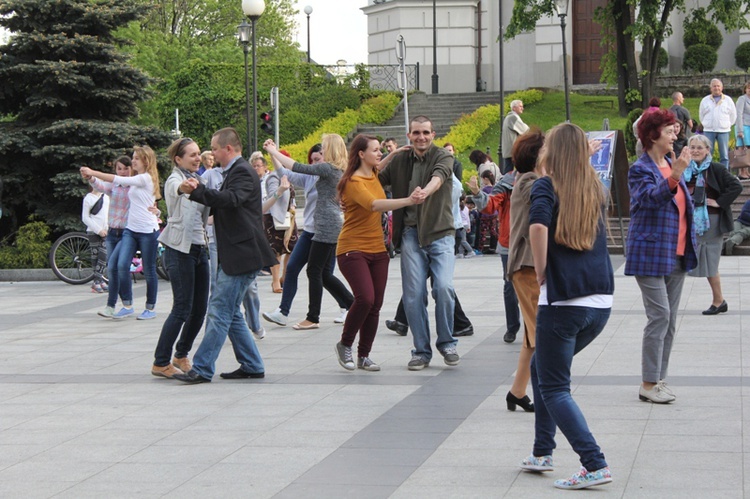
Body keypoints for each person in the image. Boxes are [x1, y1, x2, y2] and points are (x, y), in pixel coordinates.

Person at [519, 123, 614, 491]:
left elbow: (538, 228)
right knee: (542, 372)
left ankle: (594, 463)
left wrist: (542, 270)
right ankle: (542, 452)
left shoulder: (546, 185)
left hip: (563, 304)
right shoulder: (593, 187)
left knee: (555, 386)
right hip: (599, 302)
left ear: (552, 152)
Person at [173, 127, 277, 384]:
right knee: (230, 313)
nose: (212, 153)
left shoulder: (242, 171)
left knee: (219, 310)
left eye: (215, 148)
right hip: (239, 252)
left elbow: (231, 199)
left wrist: (195, 192)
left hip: (243, 253)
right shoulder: (236, 171)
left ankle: (202, 368)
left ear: (228, 149)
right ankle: (252, 365)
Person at [333, 135, 423, 371]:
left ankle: (364, 355)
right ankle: (345, 344)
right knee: (366, 298)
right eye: (375, 150)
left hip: (378, 249)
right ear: (361, 154)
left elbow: (379, 166)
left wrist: (394, 153)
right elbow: (374, 204)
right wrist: (408, 200)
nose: (379, 153)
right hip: (352, 249)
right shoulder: (353, 182)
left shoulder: (372, 173)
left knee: (375, 305)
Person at [378, 115, 460, 370]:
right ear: (409, 136)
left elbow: (440, 176)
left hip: (440, 232)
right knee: (413, 296)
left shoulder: (443, 156)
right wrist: (390, 156)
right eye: (416, 133)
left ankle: (447, 342)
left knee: (444, 288)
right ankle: (421, 351)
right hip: (411, 234)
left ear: (433, 134)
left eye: (425, 132)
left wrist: (426, 190)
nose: (421, 137)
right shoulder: (401, 160)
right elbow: (374, 177)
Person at [626, 109, 698, 403]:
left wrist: (676, 171)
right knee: (660, 316)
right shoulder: (640, 168)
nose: (675, 136)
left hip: (677, 253)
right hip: (650, 251)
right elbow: (648, 200)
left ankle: (659, 379)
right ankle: (647, 383)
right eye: (669, 131)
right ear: (653, 135)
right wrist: (677, 174)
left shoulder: (670, 163)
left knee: (668, 321)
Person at [264, 134, 354, 330]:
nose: (320, 153)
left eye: (323, 149)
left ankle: (317, 316)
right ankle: (350, 305)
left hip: (326, 225)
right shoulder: (333, 169)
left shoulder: (328, 168)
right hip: (322, 225)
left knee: (318, 272)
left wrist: (272, 150)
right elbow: (291, 172)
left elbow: (296, 166)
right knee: (319, 273)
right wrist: (274, 155)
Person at [151, 137, 211, 379]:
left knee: (199, 309)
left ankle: (181, 354)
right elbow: (178, 188)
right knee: (181, 307)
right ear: (178, 159)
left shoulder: (202, 179)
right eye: (192, 155)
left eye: (198, 154)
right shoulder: (175, 180)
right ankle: (160, 362)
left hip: (199, 248)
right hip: (178, 249)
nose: (198, 158)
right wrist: (187, 188)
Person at [81, 146, 161, 320]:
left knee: (149, 270)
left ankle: (150, 308)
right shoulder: (133, 182)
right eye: (133, 158)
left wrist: (94, 171)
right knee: (120, 265)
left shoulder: (145, 178)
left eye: (136, 159)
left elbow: (116, 178)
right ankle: (127, 305)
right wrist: (92, 178)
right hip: (131, 230)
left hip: (147, 232)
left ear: (146, 161)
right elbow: (110, 185)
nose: (133, 161)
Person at [684, 134, 742, 314]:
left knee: (710, 260)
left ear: (707, 150)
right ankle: (718, 300)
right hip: (689, 220)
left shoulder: (715, 168)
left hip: (712, 221)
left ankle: (719, 300)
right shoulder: (685, 168)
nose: (695, 151)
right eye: (692, 147)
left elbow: (736, 186)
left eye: (699, 147)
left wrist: (720, 202)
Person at [468, 166, 521, 344]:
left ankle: (535, 326)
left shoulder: (545, 177)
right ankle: (512, 327)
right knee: (510, 286)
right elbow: (490, 206)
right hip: (510, 243)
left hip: (538, 242)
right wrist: (477, 193)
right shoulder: (506, 182)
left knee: (538, 286)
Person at [86, 156, 132, 317]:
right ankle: (113, 306)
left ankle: (126, 303)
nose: (123, 172)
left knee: (115, 266)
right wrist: (91, 177)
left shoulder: (135, 185)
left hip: (128, 232)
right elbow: (101, 185)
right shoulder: (115, 186)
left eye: (126, 168)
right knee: (113, 269)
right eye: (119, 169)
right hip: (113, 231)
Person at [253, 153, 297, 293]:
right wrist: (281, 190)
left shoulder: (290, 176)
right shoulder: (274, 177)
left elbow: (293, 195)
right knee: (276, 249)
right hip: (273, 217)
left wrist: (293, 206)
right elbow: (272, 195)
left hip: (288, 217)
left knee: (291, 247)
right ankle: (275, 281)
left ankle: (284, 276)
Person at [699, 78, 736, 169]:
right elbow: (701, 115)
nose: (716, 88)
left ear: (722, 87)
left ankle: (724, 175)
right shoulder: (705, 100)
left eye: (718, 86)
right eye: (714, 86)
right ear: (711, 88)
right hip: (709, 130)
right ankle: (708, 173)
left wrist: (726, 125)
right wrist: (706, 124)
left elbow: (733, 116)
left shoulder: (728, 100)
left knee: (724, 155)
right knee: (707, 154)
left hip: (723, 130)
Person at [81, 184, 109, 293]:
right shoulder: (88, 198)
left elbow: (108, 214)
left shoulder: (106, 197)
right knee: (95, 255)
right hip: (93, 231)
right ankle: (98, 281)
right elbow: (85, 217)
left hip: (105, 230)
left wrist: (106, 228)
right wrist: (98, 230)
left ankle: (97, 280)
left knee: (103, 255)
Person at [501, 100, 530, 174]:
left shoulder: (509, 117)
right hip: (512, 149)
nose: (522, 108)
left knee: (509, 170)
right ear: (514, 108)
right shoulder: (512, 117)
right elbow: (525, 130)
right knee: (513, 170)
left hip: (509, 149)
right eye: (520, 106)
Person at [733, 81, 750, 180]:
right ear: (745, 89)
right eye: (749, 88)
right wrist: (740, 130)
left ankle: (747, 171)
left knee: (748, 150)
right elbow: (738, 114)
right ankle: (741, 172)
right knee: (742, 148)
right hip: (742, 126)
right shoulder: (742, 99)